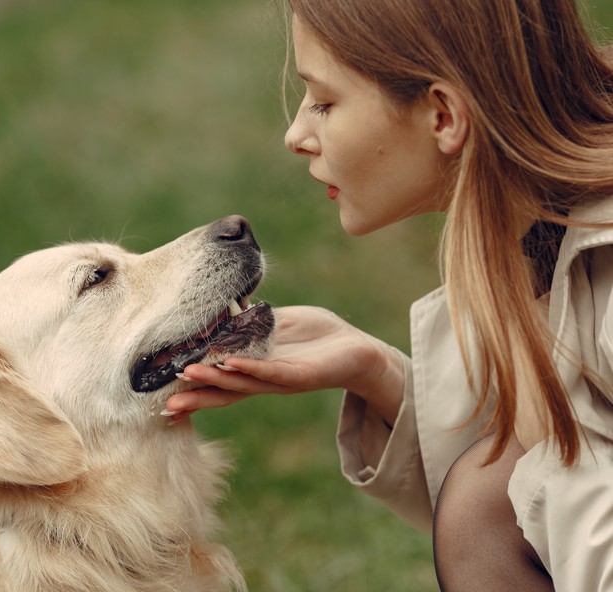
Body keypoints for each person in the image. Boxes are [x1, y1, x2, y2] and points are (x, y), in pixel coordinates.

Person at [163, 1, 613, 589]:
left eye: (325, 102)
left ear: (444, 115)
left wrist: (524, 454)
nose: (296, 135)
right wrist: (376, 373)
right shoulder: (535, 235)